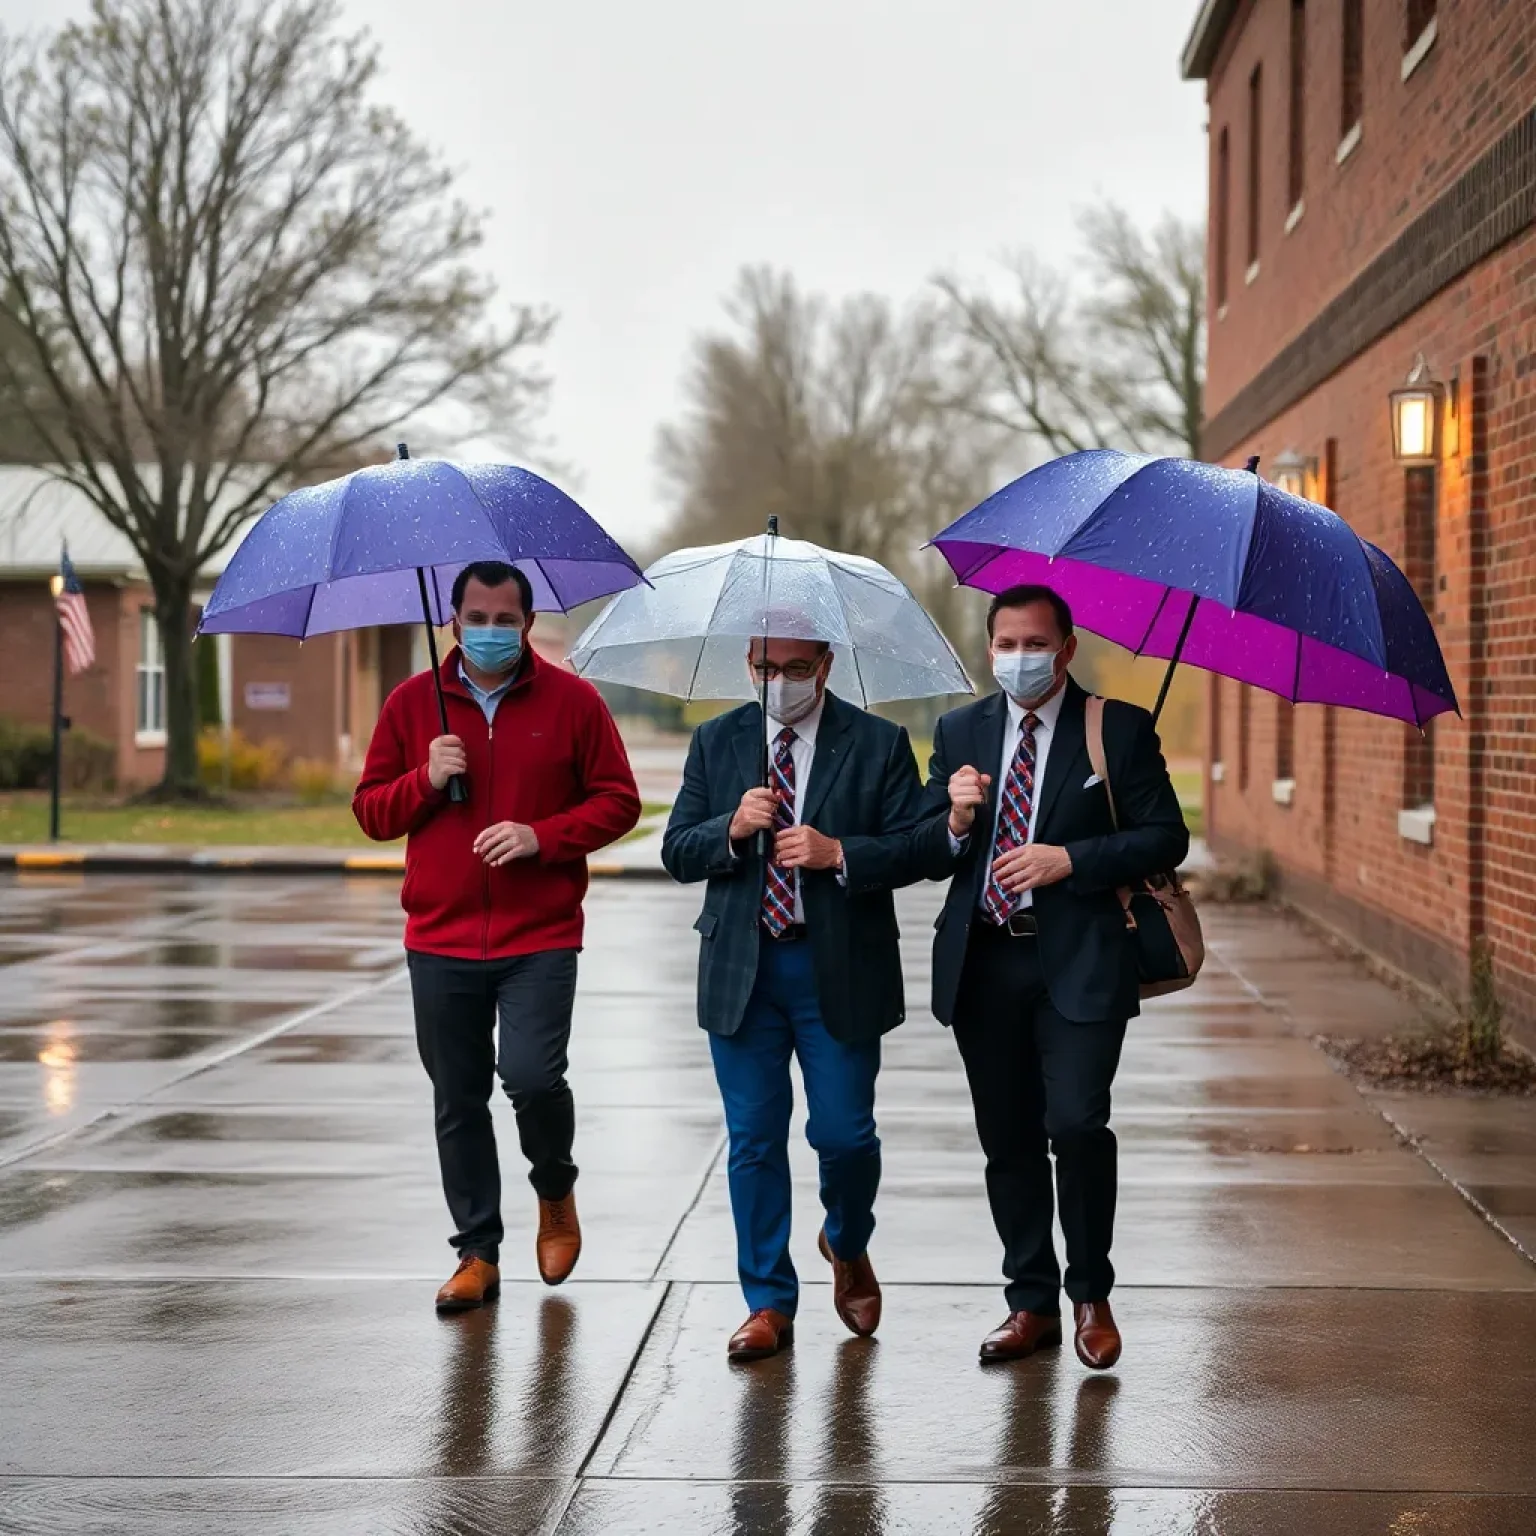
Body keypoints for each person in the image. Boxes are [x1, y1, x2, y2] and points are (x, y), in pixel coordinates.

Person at [353, 560, 642, 1312]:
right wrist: (422, 778)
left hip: (539, 935)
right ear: (452, 622)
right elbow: (371, 814)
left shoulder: (574, 702)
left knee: (533, 1077)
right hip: (439, 937)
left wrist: (541, 837)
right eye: (475, 619)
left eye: (503, 620)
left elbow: (619, 802)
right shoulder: (413, 704)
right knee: (458, 1097)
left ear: (527, 622)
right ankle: (477, 1253)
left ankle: (554, 1187)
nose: (489, 631)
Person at [913, 584, 1187, 1368]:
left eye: (1035, 644)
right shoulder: (959, 729)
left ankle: (1091, 1294)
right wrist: (955, 820)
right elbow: (928, 851)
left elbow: (1167, 836)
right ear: (989, 649)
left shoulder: (1119, 729)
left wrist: (1073, 859)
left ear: (1066, 648)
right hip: (986, 961)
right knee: (1008, 1139)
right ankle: (1029, 1303)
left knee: (1075, 1123)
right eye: (1006, 644)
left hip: (1083, 961)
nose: (1019, 658)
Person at [662, 628, 927, 1362]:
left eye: (796, 668)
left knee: (844, 1136)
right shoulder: (718, 742)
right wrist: (731, 829)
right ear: (749, 665)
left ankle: (846, 1238)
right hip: (742, 975)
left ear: (826, 666)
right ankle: (768, 1302)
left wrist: (840, 852)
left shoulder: (877, 742)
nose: (780, 681)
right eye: (766, 667)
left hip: (836, 969)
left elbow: (917, 846)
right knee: (752, 1141)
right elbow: (677, 848)